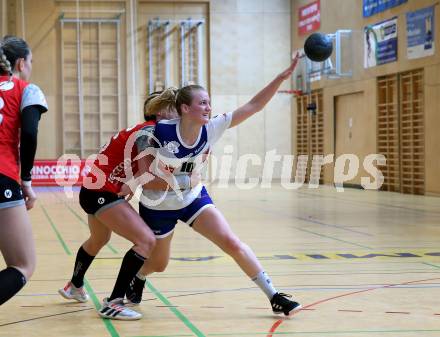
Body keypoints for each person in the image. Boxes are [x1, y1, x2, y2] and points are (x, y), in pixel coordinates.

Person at [127, 54, 302, 316]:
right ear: (185, 109)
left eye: (210, 102)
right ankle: (138, 275)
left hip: (192, 199)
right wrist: (182, 177)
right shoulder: (156, 133)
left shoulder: (212, 128)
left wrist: (280, 78)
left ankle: (274, 295)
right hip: (158, 203)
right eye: (203, 103)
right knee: (159, 264)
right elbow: (145, 179)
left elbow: (254, 105)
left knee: (231, 242)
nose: (209, 107)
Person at [58, 89, 189, 320]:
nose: (178, 114)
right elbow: (146, 172)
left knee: (99, 240)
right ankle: (114, 303)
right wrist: (185, 181)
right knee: (146, 240)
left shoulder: (141, 129)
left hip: (94, 189)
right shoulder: (148, 131)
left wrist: (130, 182)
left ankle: (74, 286)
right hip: (102, 192)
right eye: (173, 109)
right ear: (159, 112)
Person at [0, 36, 48, 305]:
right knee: (22, 265)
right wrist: (26, 180)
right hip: (2, 174)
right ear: (20, 63)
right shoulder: (25, 88)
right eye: (30, 62)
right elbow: (29, 132)